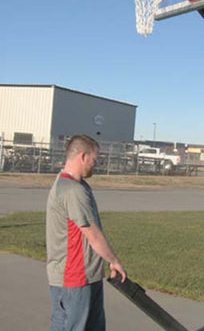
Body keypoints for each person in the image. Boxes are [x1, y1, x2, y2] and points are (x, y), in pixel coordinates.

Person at [46, 135, 126, 331]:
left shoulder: (78, 185)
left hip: (88, 275)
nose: (95, 164)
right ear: (83, 156)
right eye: (94, 159)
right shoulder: (72, 190)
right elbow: (93, 234)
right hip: (74, 277)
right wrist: (114, 261)